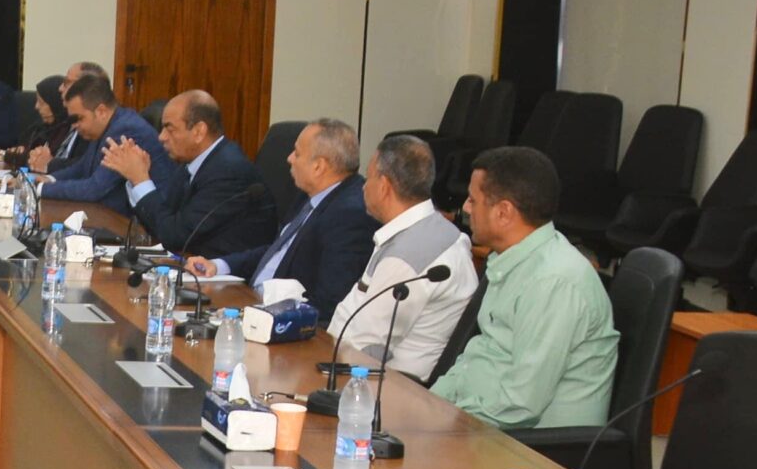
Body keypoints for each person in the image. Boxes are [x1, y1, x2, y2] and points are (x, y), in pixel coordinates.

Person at [432, 146, 618, 428]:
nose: (466, 208)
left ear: (504, 212)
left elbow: (519, 405)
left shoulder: (554, 282)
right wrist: (427, 404)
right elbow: (475, 361)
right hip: (480, 424)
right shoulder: (511, 260)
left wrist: (440, 422)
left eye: (473, 200)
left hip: (530, 446)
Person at [188, 118, 376, 320]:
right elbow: (277, 252)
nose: (289, 158)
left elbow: (329, 303)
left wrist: (256, 316)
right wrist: (219, 265)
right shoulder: (310, 194)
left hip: (277, 320)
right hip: (250, 300)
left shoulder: (349, 214)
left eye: (297, 153)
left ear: (318, 166)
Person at [330, 134, 478, 380]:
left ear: (384, 186)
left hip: (389, 385)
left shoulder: (408, 257)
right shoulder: (436, 230)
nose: (364, 186)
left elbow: (366, 349)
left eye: (369, 177)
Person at [105, 90, 274, 258]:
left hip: (225, 271)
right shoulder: (190, 164)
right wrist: (136, 178)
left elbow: (174, 236)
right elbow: (163, 221)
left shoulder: (228, 171)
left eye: (169, 129)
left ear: (199, 131)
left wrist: (140, 180)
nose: (161, 137)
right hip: (190, 260)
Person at [39, 74, 169, 213]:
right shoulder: (108, 125)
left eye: (79, 119)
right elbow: (82, 167)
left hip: (147, 217)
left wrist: (41, 189)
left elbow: (95, 189)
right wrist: (49, 179)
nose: (75, 126)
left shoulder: (126, 130)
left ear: (101, 112)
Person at [21, 60, 110, 175]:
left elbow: (85, 167)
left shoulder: (96, 124)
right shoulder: (69, 118)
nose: (60, 88)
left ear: (87, 87)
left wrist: (50, 164)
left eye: (67, 83)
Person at [0, 76, 72, 172]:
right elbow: (24, 152)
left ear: (55, 104)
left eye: (41, 103)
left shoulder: (67, 132)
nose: (36, 106)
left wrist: (3, 155)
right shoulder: (41, 128)